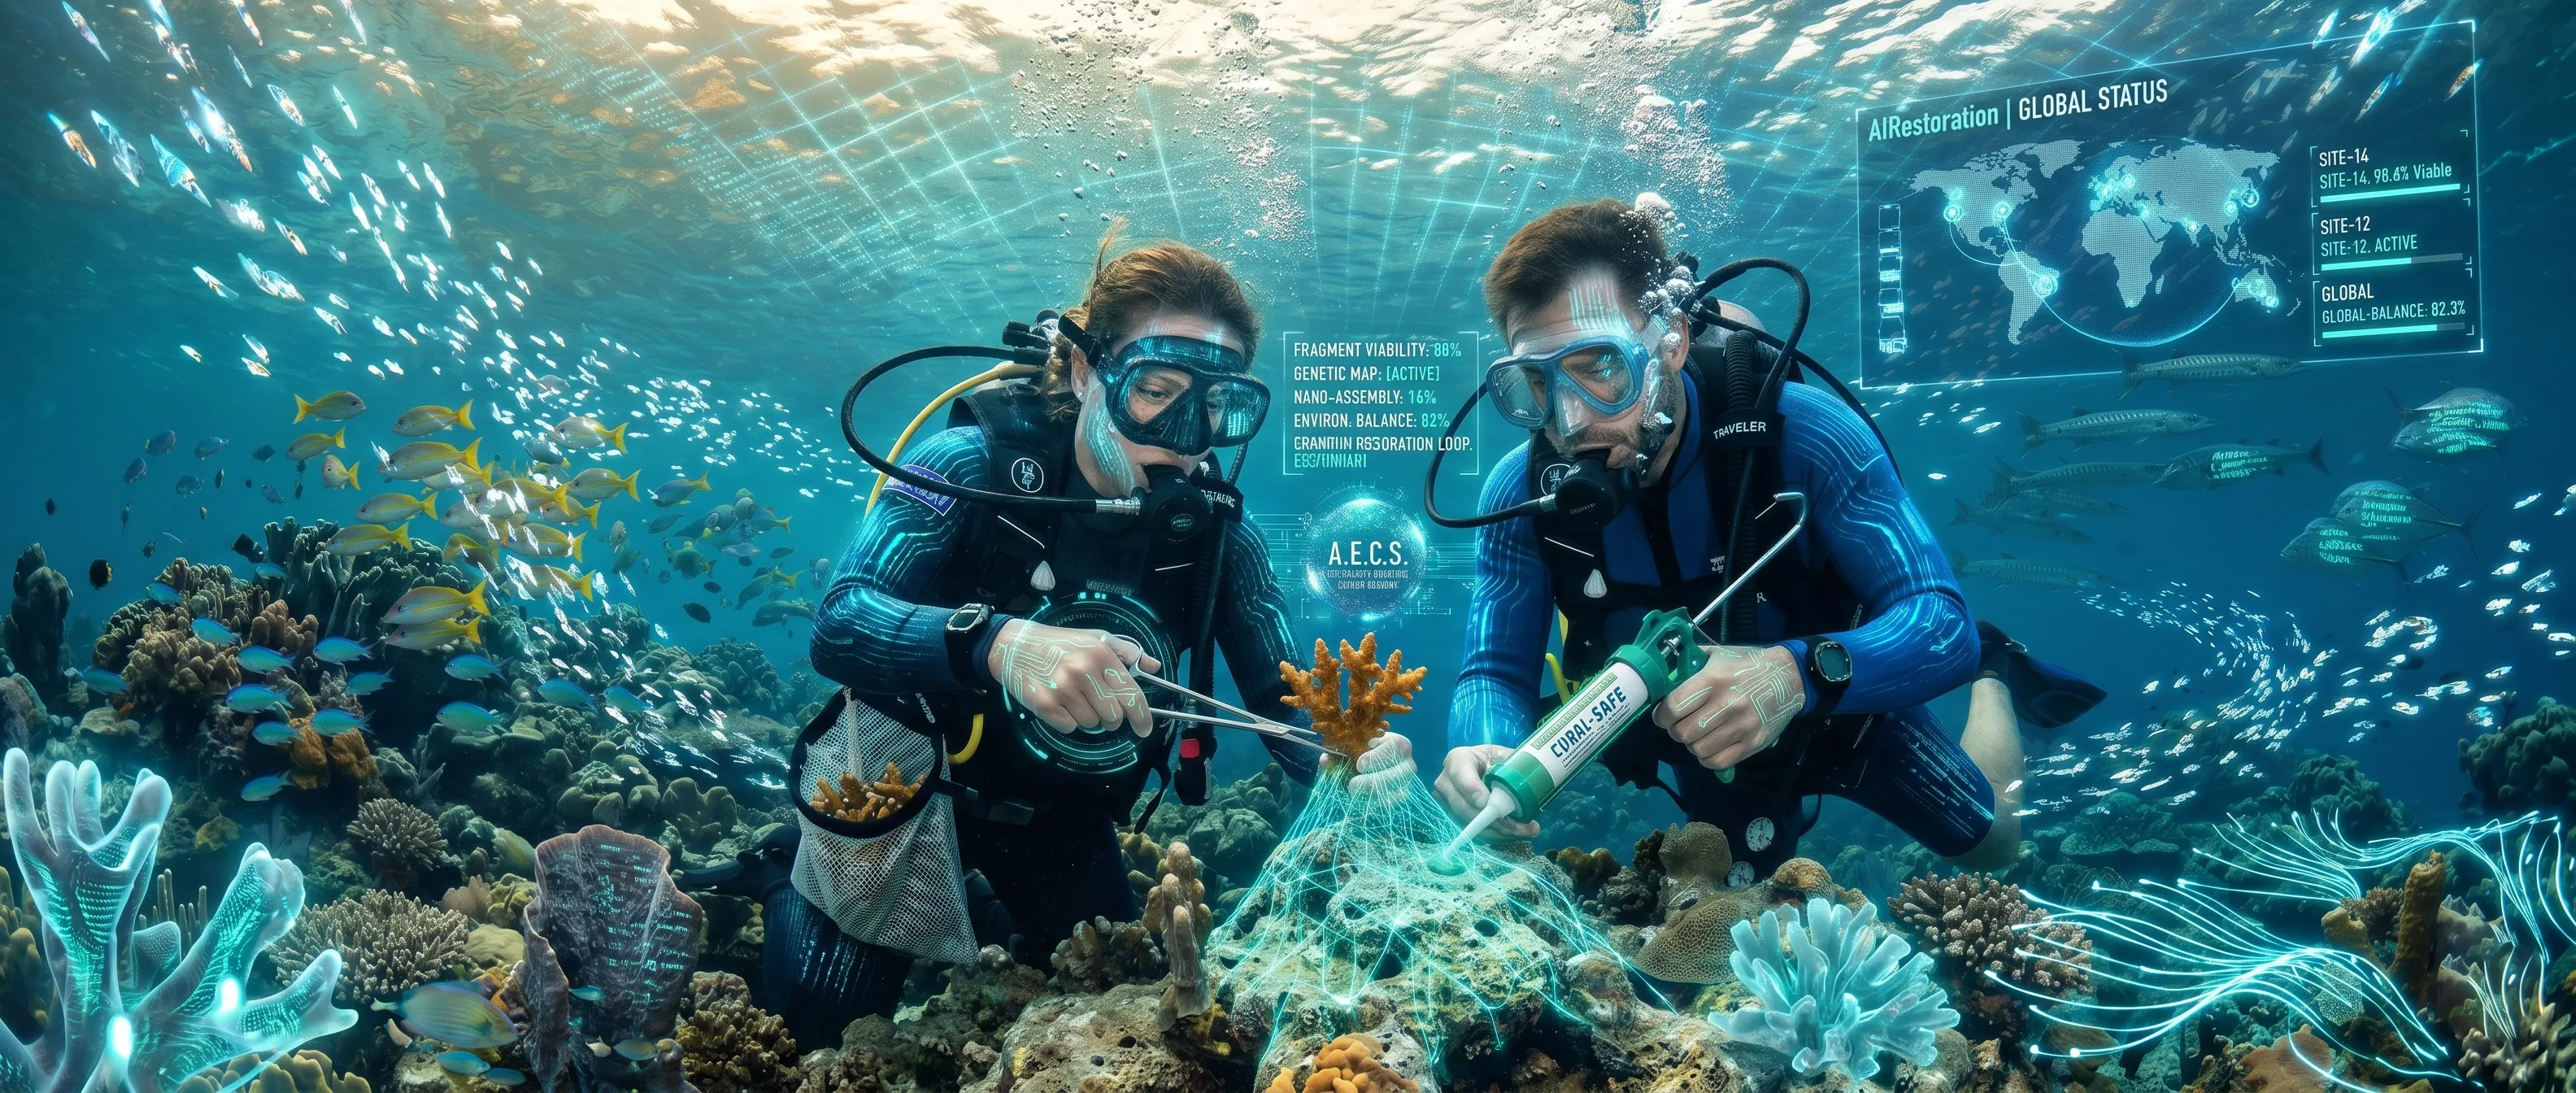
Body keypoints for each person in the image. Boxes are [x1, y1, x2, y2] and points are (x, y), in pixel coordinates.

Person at [772, 224, 1413, 1049]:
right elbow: (842, 621)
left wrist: (1352, 751)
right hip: (902, 796)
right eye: (1157, 390)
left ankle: (985, 911)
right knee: (817, 1034)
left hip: (1060, 818)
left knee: (1126, 1027)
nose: (1189, 438)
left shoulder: (1220, 541)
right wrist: (1000, 643)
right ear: (1083, 370)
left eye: (1217, 406)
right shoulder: (969, 467)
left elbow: (1290, 703)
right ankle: (785, 873)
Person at [1434, 198, 2099, 875]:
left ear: (1672, 341)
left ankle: (1999, 671)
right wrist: (1481, 750)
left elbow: (1941, 623)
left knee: (1994, 848)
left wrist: (1791, 675)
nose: (1571, 422)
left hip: (1844, 699)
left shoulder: (1808, 433)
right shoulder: (1519, 493)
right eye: (1534, 383)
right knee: (1729, 895)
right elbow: (1494, 671)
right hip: (1690, 732)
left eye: (1602, 367)